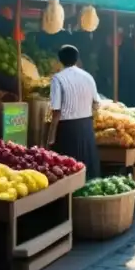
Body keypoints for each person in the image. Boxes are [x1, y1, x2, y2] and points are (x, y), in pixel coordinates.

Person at [46, 44, 102, 179]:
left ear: (60, 60)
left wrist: (51, 136)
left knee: (68, 168)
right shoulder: (88, 76)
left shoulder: (57, 78)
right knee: (88, 167)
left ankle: (71, 197)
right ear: (77, 59)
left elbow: (56, 111)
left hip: (67, 130)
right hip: (86, 127)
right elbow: (96, 103)